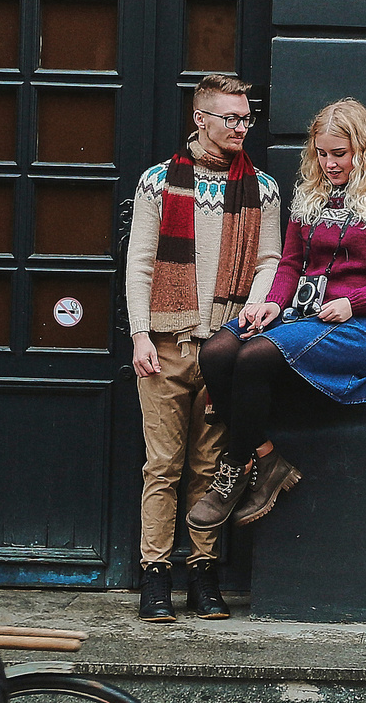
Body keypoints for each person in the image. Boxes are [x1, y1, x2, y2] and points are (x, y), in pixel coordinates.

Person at [190, 98, 366, 530]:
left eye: (340, 154)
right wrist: (272, 304)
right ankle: (267, 457)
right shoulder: (310, 195)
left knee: (255, 356)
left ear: (363, 148)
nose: (330, 163)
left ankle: (233, 469)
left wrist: (355, 302)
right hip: (303, 315)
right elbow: (290, 264)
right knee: (218, 351)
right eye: (322, 153)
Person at [121, 73, 283, 624]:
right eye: (231, 118)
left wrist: (244, 321)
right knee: (161, 465)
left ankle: (204, 575)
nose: (241, 127)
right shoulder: (157, 183)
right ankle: (155, 577)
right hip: (164, 346)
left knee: (209, 464)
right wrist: (140, 334)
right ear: (201, 118)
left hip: (224, 346)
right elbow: (141, 263)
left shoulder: (262, 188)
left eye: (246, 118)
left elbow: (269, 263)